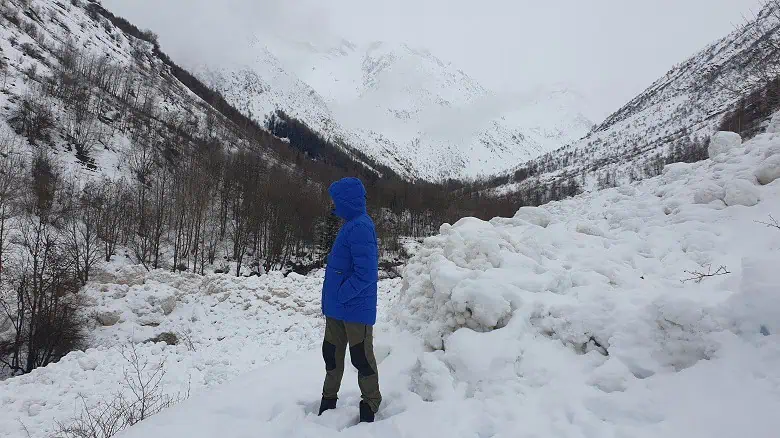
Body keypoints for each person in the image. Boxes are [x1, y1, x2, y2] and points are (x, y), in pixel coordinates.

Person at [318, 177, 382, 423]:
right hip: (337, 309)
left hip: (355, 309)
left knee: (361, 359)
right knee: (331, 355)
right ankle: (327, 401)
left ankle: (370, 405)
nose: (333, 205)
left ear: (347, 201)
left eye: (335, 201)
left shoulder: (360, 226)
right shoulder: (349, 224)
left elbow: (367, 273)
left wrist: (341, 295)